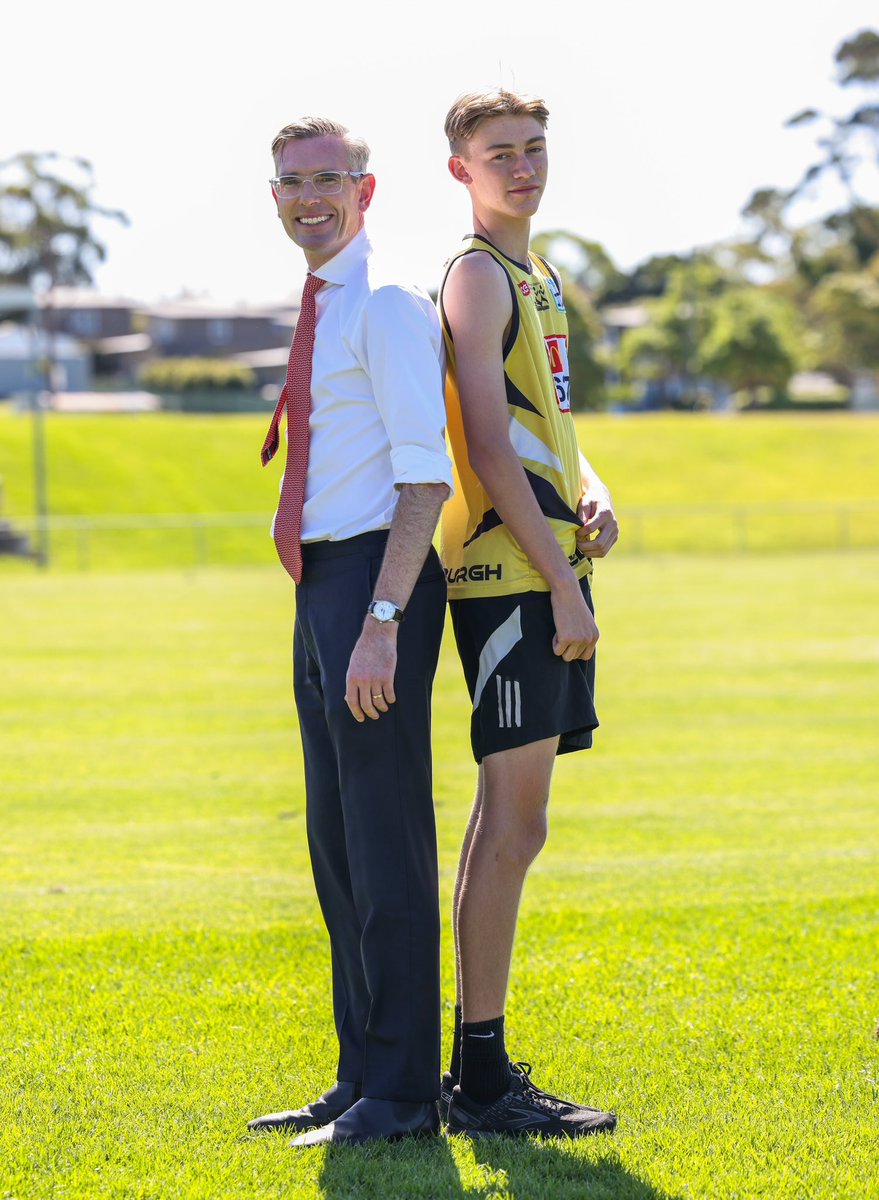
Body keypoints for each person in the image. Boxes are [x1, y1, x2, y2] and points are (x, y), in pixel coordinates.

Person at [247, 116, 452, 1147]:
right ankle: (359, 1077)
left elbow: (426, 477)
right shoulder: (325, 304)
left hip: (376, 585)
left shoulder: (384, 305)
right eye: (292, 181)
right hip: (320, 582)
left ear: (367, 192)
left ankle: (407, 1092)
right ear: (274, 195)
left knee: (386, 848)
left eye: (330, 178)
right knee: (338, 849)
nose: (309, 196)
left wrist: (380, 619)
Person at [436, 90, 620, 1138]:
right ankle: (484, 1079)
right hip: (510, 580)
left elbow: (548, 426)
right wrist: (558, 580)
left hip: (546, 564)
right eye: (499, 153)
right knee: (515, 824)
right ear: (459, 169)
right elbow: (489, 446)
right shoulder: (474, 274)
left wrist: (598, 490)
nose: (521, 166)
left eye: (534, 149)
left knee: (510, 822)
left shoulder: (537, 275)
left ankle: (480, 1069)